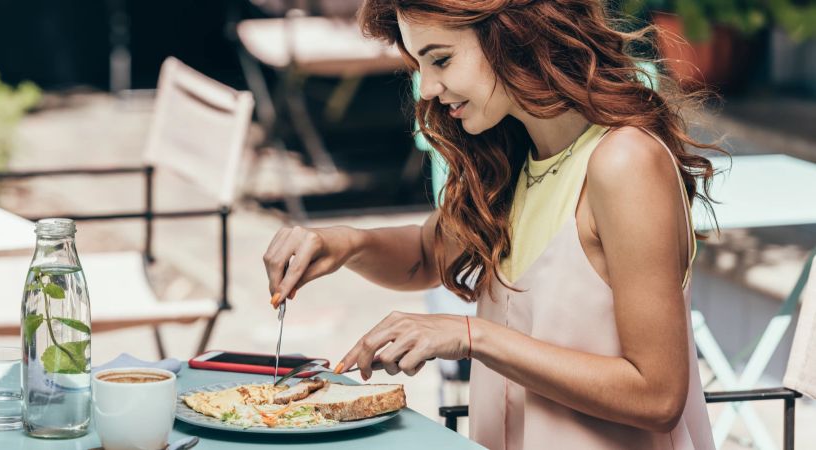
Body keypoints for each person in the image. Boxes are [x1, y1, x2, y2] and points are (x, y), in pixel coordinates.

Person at [262, 1, 721, 448]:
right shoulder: (517, 154)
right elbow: (427, 254)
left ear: (516, 33)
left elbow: (658, 395)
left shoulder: (624, 161)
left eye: (440, 59)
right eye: (420, 64)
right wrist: (342, 244)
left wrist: (470, 336)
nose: (426, 89)